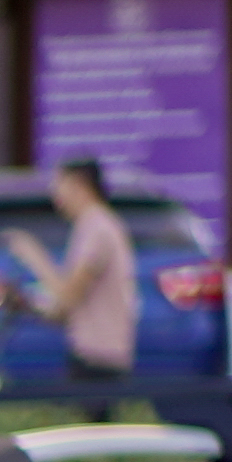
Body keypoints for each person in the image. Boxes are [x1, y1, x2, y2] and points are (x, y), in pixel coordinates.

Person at [32, 162, 145, 378]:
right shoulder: (90, 226)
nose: (56, 196)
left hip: (99, 359)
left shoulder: (97, 228)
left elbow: (68, 296)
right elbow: (67, 310)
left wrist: (35, 258)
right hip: (93, 354)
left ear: (79, 185)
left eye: (59, 186)